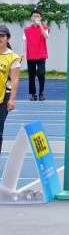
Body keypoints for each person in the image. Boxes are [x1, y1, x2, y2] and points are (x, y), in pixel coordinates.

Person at [0, 26, 21, 157]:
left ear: (7, 38)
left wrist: (12, 99)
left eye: (2, 36)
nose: (0, 39)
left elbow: (15, 80)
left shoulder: (13, 57)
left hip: (3, 98)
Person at [23, 10, 48, 101]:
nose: (36, 18)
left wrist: (40, 25)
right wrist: (23, 53)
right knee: (31, 75)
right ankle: (33, 94)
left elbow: (46, 36)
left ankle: (41, 93)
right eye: (34, 16)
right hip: (31, 55)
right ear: (31, 18)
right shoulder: (26, 30)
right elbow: (25, 42)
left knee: (41, 73)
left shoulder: (45, 28)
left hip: (41, 55)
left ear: (40, 18)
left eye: (38, 16)